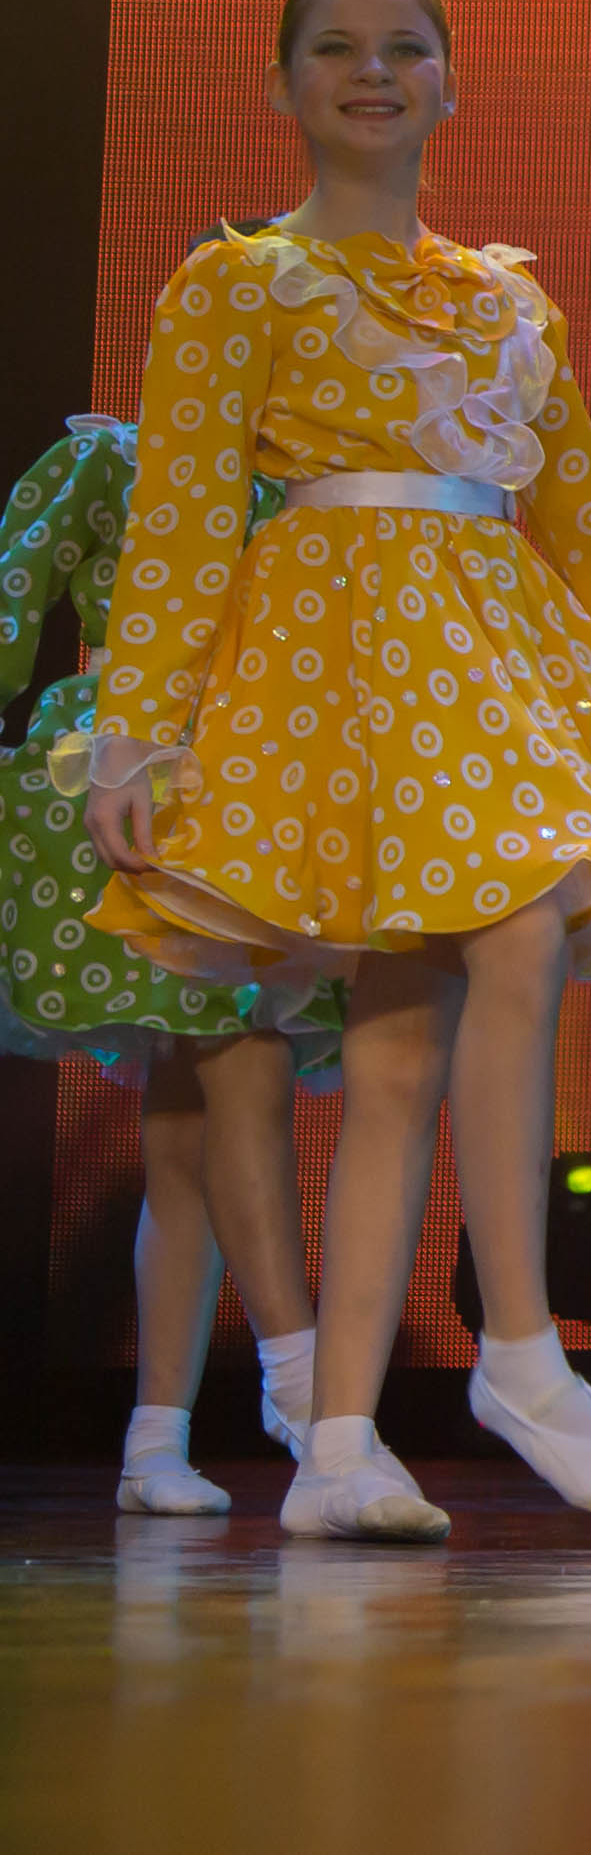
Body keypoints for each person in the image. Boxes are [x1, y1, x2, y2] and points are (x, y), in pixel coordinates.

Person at [78, 0, 591, 1539]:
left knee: (415, 1034)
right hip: (340, 655)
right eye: (337, 46)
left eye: (405, 47)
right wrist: (136, 727)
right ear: (283, 83)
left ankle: (341, 1442)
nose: (372, 71)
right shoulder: (239, 283)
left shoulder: (508, 297)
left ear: (450, 86)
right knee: (505, 937)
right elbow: (182, 518)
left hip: (488, 648)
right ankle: (518, 1349)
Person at [1, 408, 329, 1512]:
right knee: (245, 1056)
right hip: (136, 786)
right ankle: (308, 1386)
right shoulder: (111, 456)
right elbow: (12, 595)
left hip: (263, 778)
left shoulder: (306, 477)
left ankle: (154, 1441)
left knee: (187, 1125)